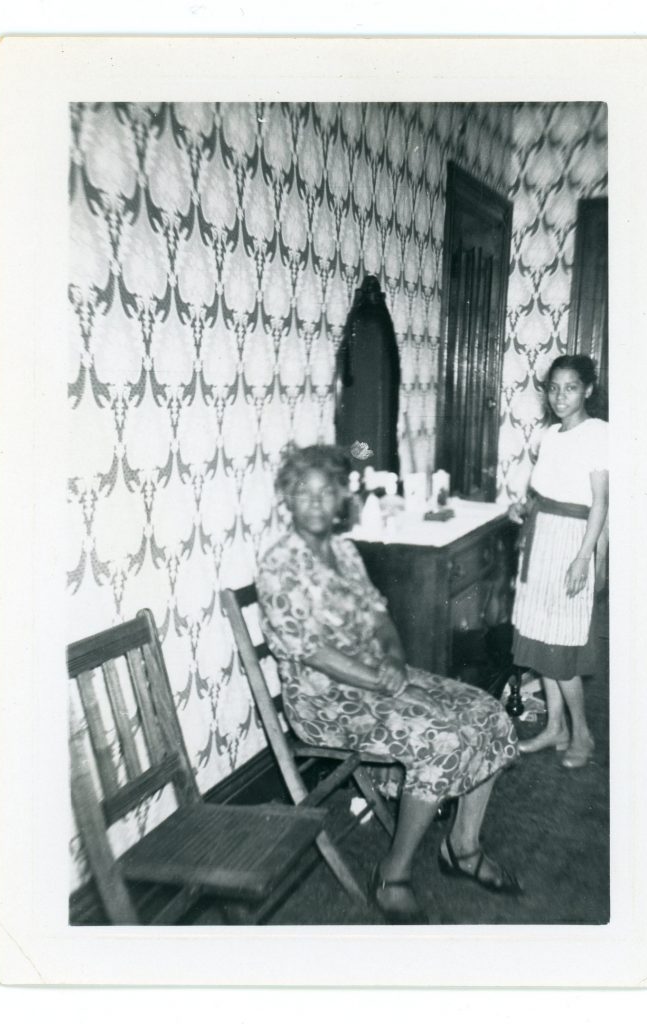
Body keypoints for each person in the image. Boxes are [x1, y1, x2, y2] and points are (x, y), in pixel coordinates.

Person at [257, 444, 520, 924]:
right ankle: (392, 874)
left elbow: (379, 613)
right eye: (303, 492)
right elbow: (313, 651)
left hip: (377, 676)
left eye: (326, 492)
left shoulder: (342, 550)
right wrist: (389, 684)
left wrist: (396, 659)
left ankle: (462, 847)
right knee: (439, 735)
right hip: (326, 702)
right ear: (287, 501)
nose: (316, 502)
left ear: (340, 498)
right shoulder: (279, 565)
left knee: (488, 711)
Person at [509, 355, 609, 769]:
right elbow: (542, 490)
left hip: (571, 543)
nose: (560, 396)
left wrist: (584, 559)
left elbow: (601, 502)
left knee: (562, 645)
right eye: (553, 388)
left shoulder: (599, 434)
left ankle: (581, 732)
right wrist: (522, 506)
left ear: (587, 389)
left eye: (570, 387)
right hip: (540, 538)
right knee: (539, 638)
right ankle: (556, 728)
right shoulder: (548, 435)